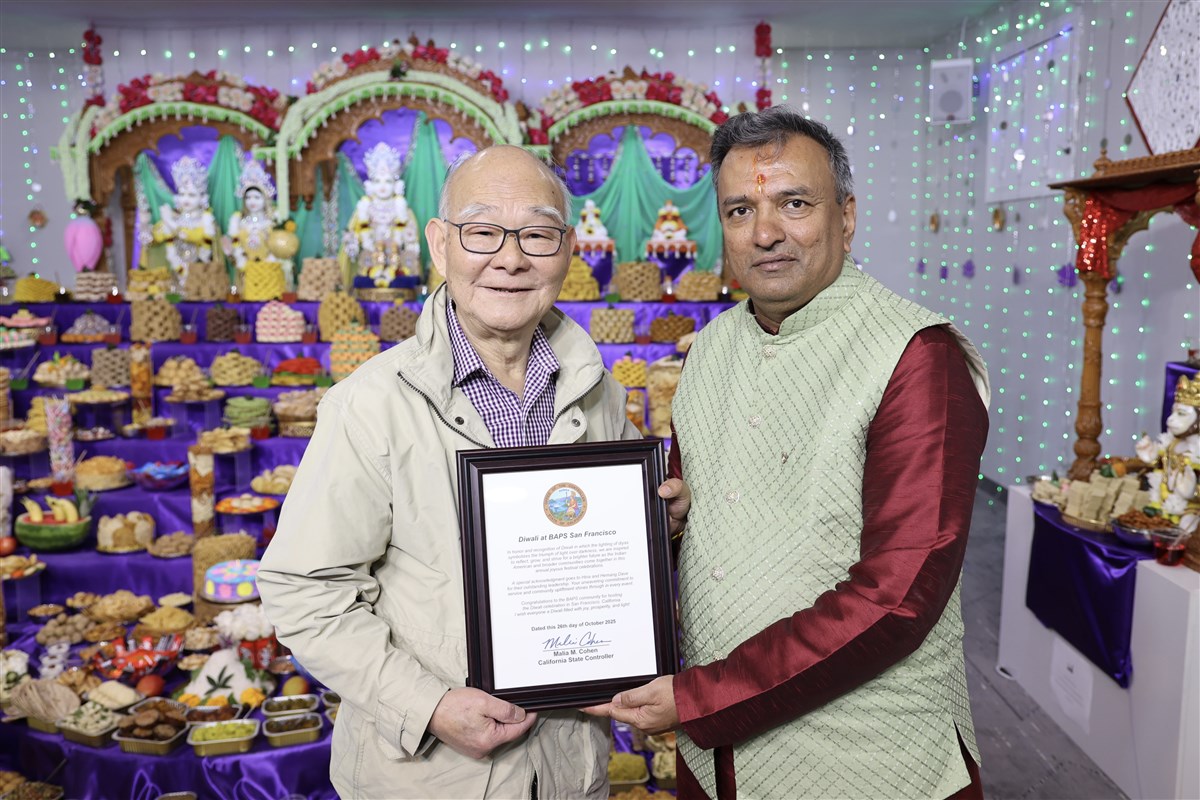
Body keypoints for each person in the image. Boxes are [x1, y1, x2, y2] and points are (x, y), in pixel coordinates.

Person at [257, 144, 688, 799]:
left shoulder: (595, 389)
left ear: (569, 251)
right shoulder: (370, 405)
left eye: (537, 234)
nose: (510, 259)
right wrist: (427, 706)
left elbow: (603, 559)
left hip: (571, 773)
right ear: (440, 245)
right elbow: (303, 592)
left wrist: (659, 526)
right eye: (482, 231)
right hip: (431, 780)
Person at [594, 107, 992, 799]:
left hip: (864, 758)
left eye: (795, 204)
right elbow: (700, 513)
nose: (766, 233)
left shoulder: (915, 356)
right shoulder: (710, 349)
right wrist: (671, 525)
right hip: (717, 758)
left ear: (847, 216)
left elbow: (899, 595)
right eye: (740, 210)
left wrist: (701, 697)